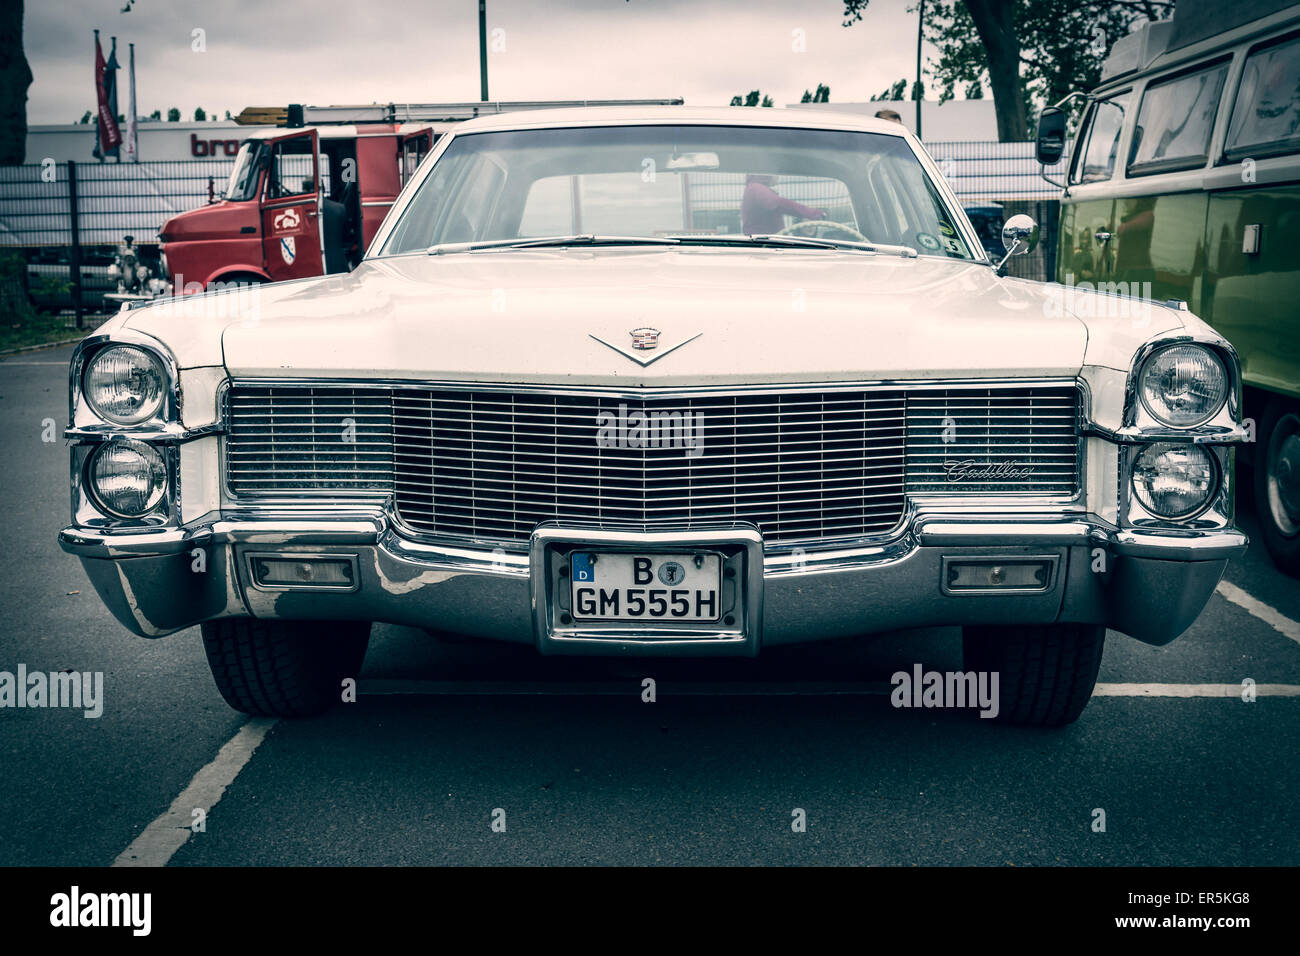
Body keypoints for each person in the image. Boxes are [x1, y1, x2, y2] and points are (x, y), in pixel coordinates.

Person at [740, 174, 826, 235]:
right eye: (776, 173)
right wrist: (813, 213)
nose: (778, 176)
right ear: (767, 174)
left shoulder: (754, 188)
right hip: (764, 246)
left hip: (767, 243)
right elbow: (778, 203)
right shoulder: (756, 188)